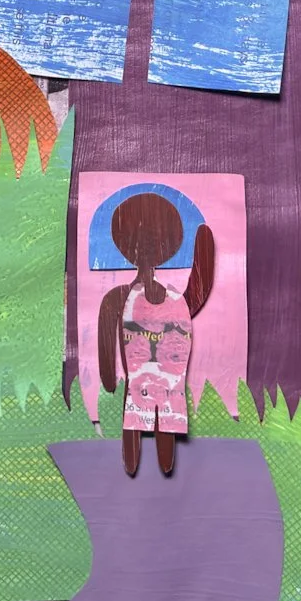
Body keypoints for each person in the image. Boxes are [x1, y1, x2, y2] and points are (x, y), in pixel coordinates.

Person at [96, 191, 215, 476]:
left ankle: (152, 461)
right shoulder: (121, 297)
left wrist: (204, 248)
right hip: (143, 386)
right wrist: (109, 377)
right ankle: (144, 460)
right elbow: (106, 339)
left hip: (159, 387)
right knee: (144, 414)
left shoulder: (130, 297)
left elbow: (195, 295)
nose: (147, 248)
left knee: (156, 415)